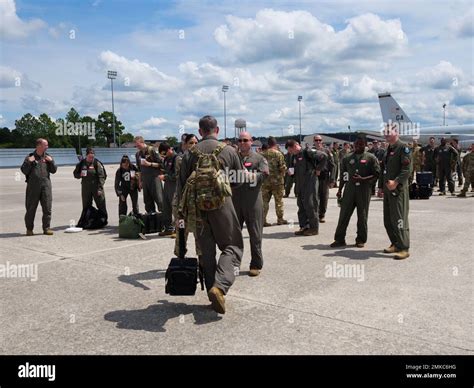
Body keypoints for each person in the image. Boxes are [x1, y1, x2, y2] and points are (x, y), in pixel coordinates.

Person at [176, 115, 244, 314]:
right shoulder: (229, 150)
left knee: (206, 253)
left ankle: (211, 296)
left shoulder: (189, 153)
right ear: (218, 130)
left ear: (200, 131)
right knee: (232, 246)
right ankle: (220, 287)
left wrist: (181, 215)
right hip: (222, 205)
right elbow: (238, 180)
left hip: (197, 209)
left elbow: (181, 187)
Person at [331, 134, 380, 248]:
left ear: (365, 145)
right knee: (344, 215)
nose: (357, 146)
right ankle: (339, 239)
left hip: (363, 190)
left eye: (360, 144)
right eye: (356, 144)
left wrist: (363, 179)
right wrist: (339, 189)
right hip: (349, 190)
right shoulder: (347, 158)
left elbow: (377, 174)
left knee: (362, 216)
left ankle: (361, 239)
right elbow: (344, 175)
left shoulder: (370, 158)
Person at [232, 131, 269, 277]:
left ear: (251, 141)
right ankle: (234, 264)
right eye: (240, 140)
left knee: (255, 234)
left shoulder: (259, 158)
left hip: (253, 201)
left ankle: (256, 263)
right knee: (233, 235)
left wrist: (252, 176)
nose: (242, 143)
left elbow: (265, 174)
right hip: (235, 200)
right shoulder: (233, 157)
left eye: (245, 140)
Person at [377, 124, 412, 260]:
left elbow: (407, 170)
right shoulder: (388, 150)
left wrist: (396, 182)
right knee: (388, 220)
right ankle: (395, 243)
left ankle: (404, 247)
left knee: (399, 219)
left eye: (388, 131)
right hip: (387, 190)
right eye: (384, 132)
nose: (385, 134)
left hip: (398, 190)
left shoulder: (404, 148)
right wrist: (380, 187)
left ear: (396, 132)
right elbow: (383, 171)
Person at [285, 139, 327, 236]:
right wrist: (290, 173)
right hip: (300, 184)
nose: (290, 152)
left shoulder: (307, 152)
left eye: (291, 150)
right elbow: (293, 168)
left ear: (295, 146)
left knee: (311, 204)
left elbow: (324, 157)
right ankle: (304, 226)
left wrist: (318, 169)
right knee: (301, 205)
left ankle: (314, 228)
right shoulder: (294, 156)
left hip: (310, 182)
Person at [20, 138, 57, 236]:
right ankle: (29, 229)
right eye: (46, 145)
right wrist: (29, 162)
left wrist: (51, 162)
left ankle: (46, 228)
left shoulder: (48, 157)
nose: (47, 147)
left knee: (47, 207)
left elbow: (54, 170)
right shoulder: (30, 157)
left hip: (46, 186)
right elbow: (24, 171)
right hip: (33, 186)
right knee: (31, 208)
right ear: (39, 146)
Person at [73, 147, 108, 222]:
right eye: (90, 157)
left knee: (101, 204)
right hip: (86, 187)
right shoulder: (81, 163)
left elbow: (102, 176)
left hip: (96, 187)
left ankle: (103, 220)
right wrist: (80, 175)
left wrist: (100, 188)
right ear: (86, 155)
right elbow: (75, 174)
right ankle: (87, 220)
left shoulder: (96, 163)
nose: (91, 158)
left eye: (92, 157)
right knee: (86, 205)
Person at [261, 136, 288, 226]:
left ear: (268, 144)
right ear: (275, 144)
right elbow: (282, 167)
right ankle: (280, 219)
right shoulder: (278, 154)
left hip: (265, 182)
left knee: (264, 201)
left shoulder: (262, 154)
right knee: (279, 201)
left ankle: (263, 220)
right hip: (277, 182)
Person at [134, 136, 164, 213]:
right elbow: (139, 169)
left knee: (159, 199)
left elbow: (161, 164)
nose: (137, 147)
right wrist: (140, 181)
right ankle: (152, 218)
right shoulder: (138, 154)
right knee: (147, 201)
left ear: (142, 142)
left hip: (154, 178)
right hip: (145, 180)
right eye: (136, 146)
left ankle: (165, 219)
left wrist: (149, 164)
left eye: (138, 145)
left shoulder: (152, 150)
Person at [312, 135, 335, 223]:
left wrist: (332, 179)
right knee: (314, 197)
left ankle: (321, 215)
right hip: (313, 177)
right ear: (313, 141)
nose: (318, 142)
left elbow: (333, 166)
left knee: (324, 196)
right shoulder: (311, 151)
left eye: (319, 140)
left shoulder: (327, 151)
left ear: (322, 141)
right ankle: (315, 214)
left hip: (324, 177)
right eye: (316, 140)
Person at [158, 142, 178, 237]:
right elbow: (165, 169)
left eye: (165, 153)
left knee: (175, 209)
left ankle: (178, 230)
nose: (164, 155)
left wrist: (165, 176)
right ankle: (168, 228)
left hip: (174, 186)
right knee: (166, 208)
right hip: (167, 186)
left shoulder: (177, 159)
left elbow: (177, 175)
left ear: (170, 149)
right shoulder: (166, 159)